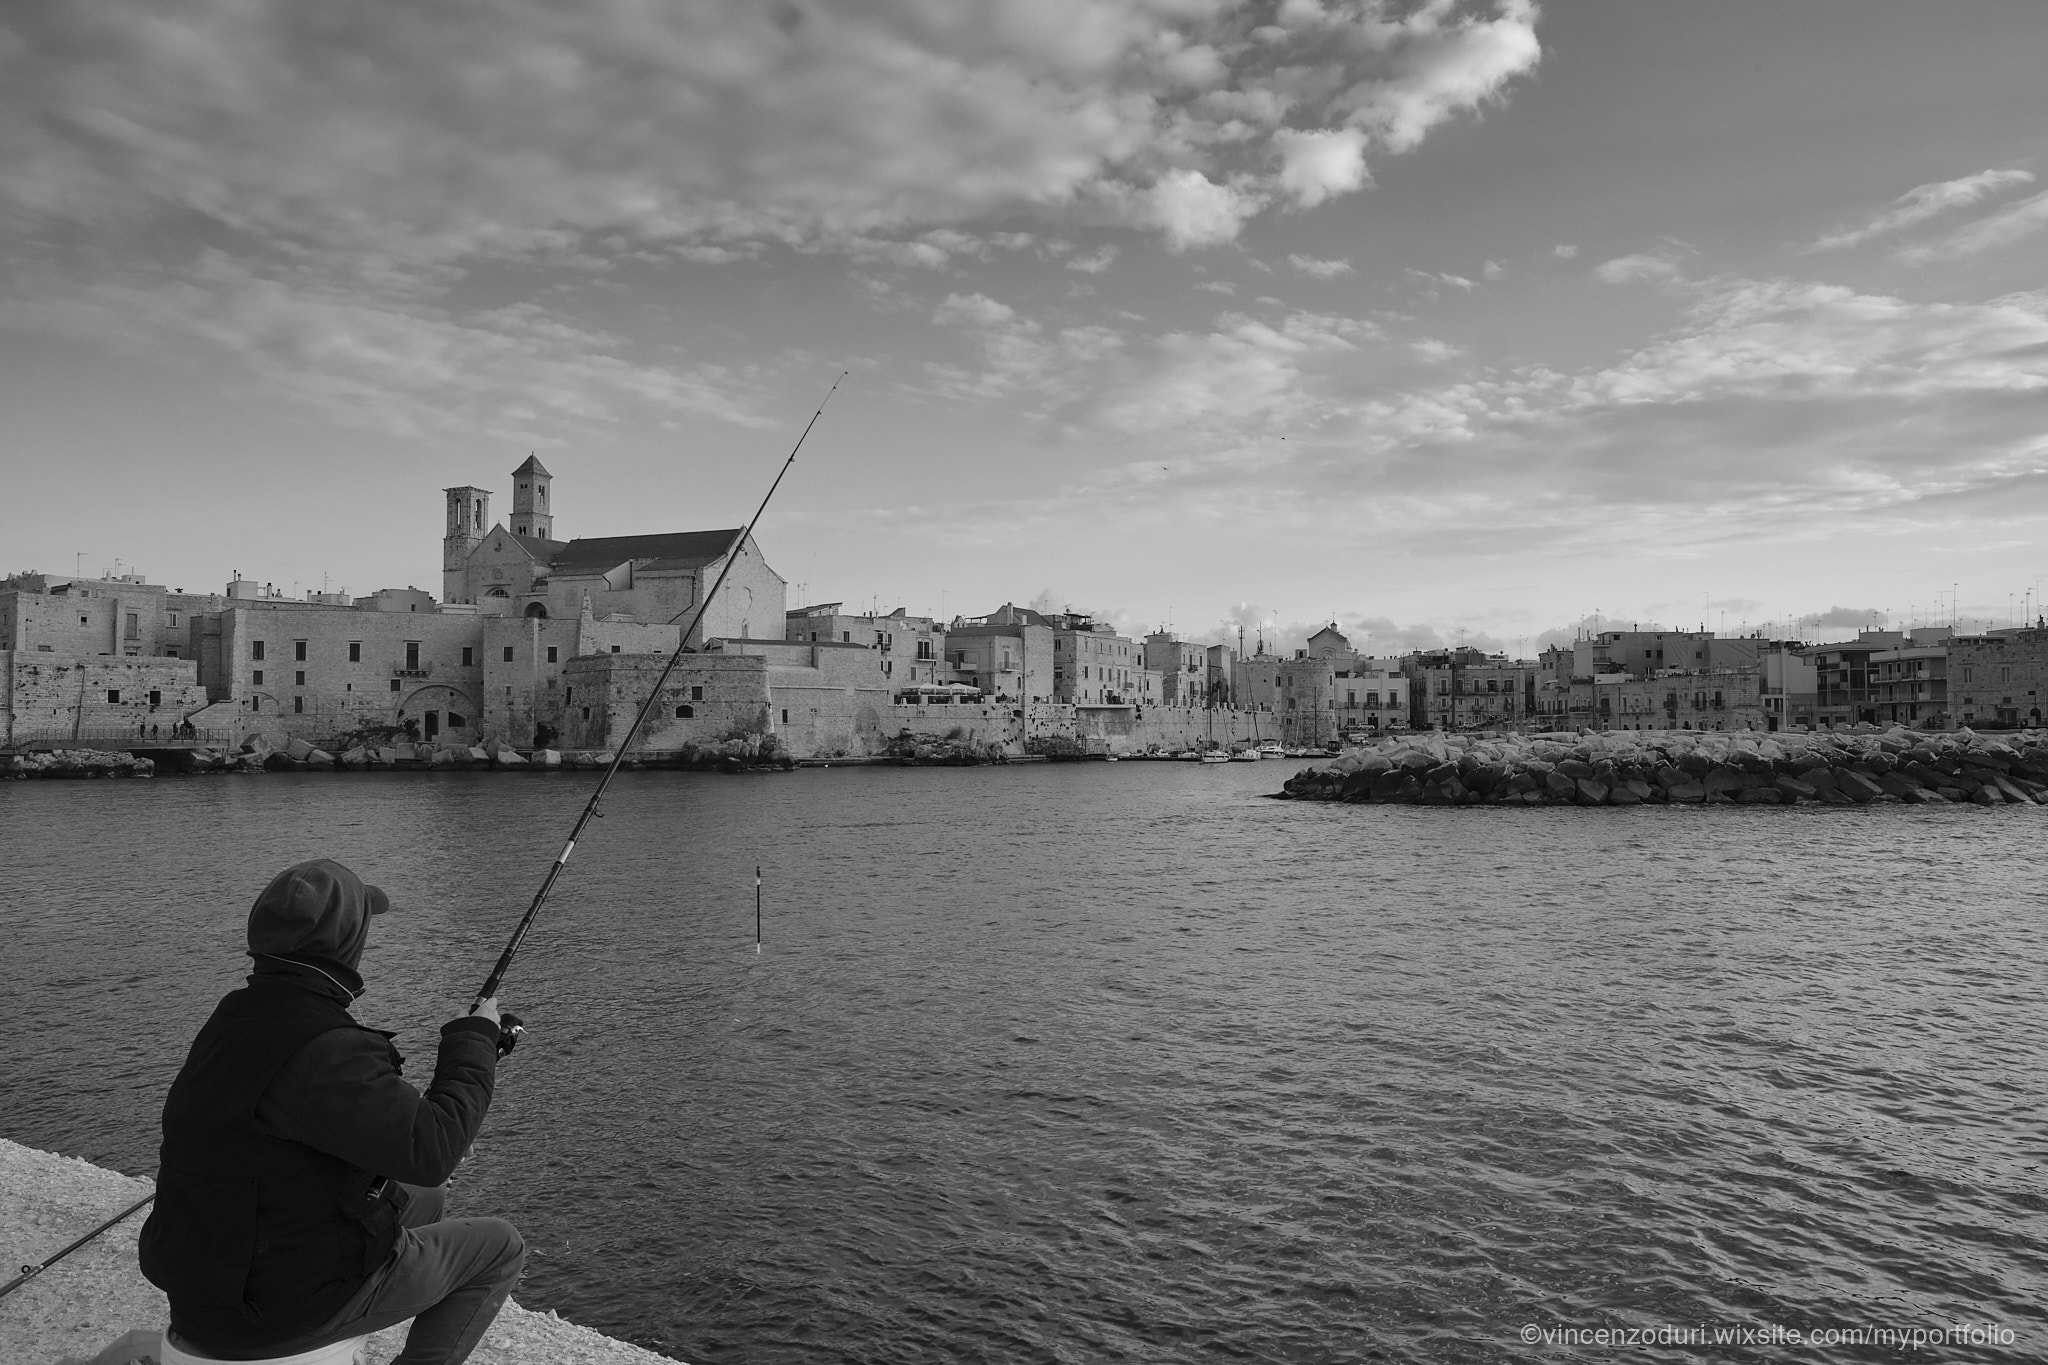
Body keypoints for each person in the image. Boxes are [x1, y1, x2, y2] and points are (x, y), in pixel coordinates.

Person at [139, 860, 525, 1365]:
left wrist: (420, 1136)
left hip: (213, 1291)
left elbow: (307, 1126)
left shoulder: (237, 1015)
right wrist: (475, 1039)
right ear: (347, 943)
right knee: (499, 1248)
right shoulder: (327, 1047)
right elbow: (432, 1151)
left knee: (424, 1196)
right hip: (277, 1315)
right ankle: (358, 1311)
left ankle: (372, 1289)